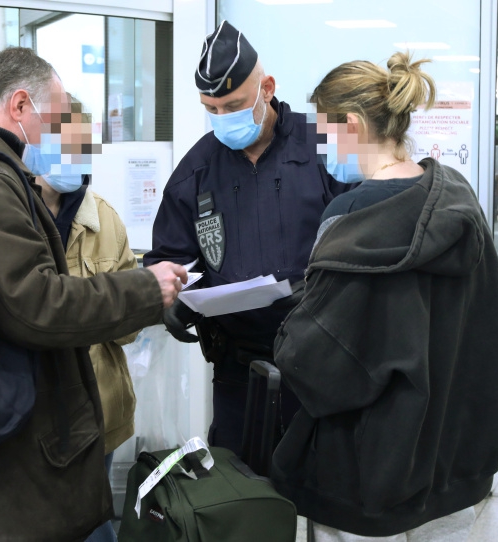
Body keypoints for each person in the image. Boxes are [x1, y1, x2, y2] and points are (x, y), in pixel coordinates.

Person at [0, 46, 186, 541]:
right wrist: (144, 288)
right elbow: (36, 306)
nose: (62, 135)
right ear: (21, 107)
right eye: (56, 115)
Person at [268, 52, 498, 542]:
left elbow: (316, 362)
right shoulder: (457, 203)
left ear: (351, 124)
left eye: (323, 130)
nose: (320, 146)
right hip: (450, 466)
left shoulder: (349, 216)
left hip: (364, 475)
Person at [144, 21, 350, 456]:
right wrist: (173, 302)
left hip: (321, 364)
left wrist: (318, 290)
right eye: (211, 109)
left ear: (267, 87)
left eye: (234, 105)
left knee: (324, 494)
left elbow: (363, 242)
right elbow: (168, 259)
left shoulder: (324, 150)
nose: (223, 119)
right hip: (239, 371)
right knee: (245, 500)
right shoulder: (196, 172)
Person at [34, 96, 135, 542]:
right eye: (62, 143)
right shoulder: (9, 214)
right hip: (30, 412)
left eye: (82, 144)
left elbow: (130, 326)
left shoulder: (105, 220)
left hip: (97, 407)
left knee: (94, 526)